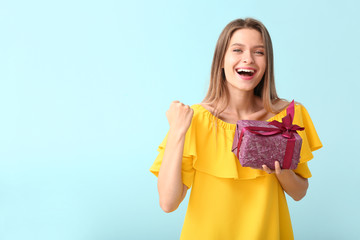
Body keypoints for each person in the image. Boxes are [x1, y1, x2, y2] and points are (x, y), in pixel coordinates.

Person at [150, 18, 322, 240]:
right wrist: (177, 132)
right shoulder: (195, 119)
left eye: (259, 52)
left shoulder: (288, 117)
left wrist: (280, 170)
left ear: (267, 62)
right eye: (237, 50)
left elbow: (299, 192)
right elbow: (168, 202)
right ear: (221, 60)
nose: (248, 59)